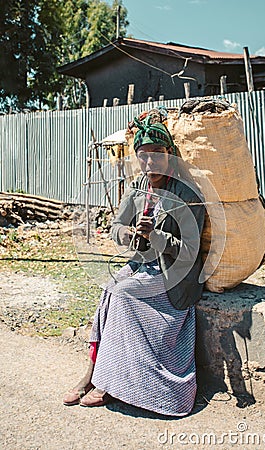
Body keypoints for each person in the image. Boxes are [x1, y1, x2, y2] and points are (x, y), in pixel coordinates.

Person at [63, 112, 205, 416]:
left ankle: (110, 384)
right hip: (143, 264)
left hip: (174, 273)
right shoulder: (139, 185)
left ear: (170, 155)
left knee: (124, 295)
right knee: (109, 290)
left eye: (158, 155)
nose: (150, 163)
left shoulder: (188, 192)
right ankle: (92, 372)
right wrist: (127, 233)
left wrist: (157, 236)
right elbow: (115, 226)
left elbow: (191, 252)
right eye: (143, 156)